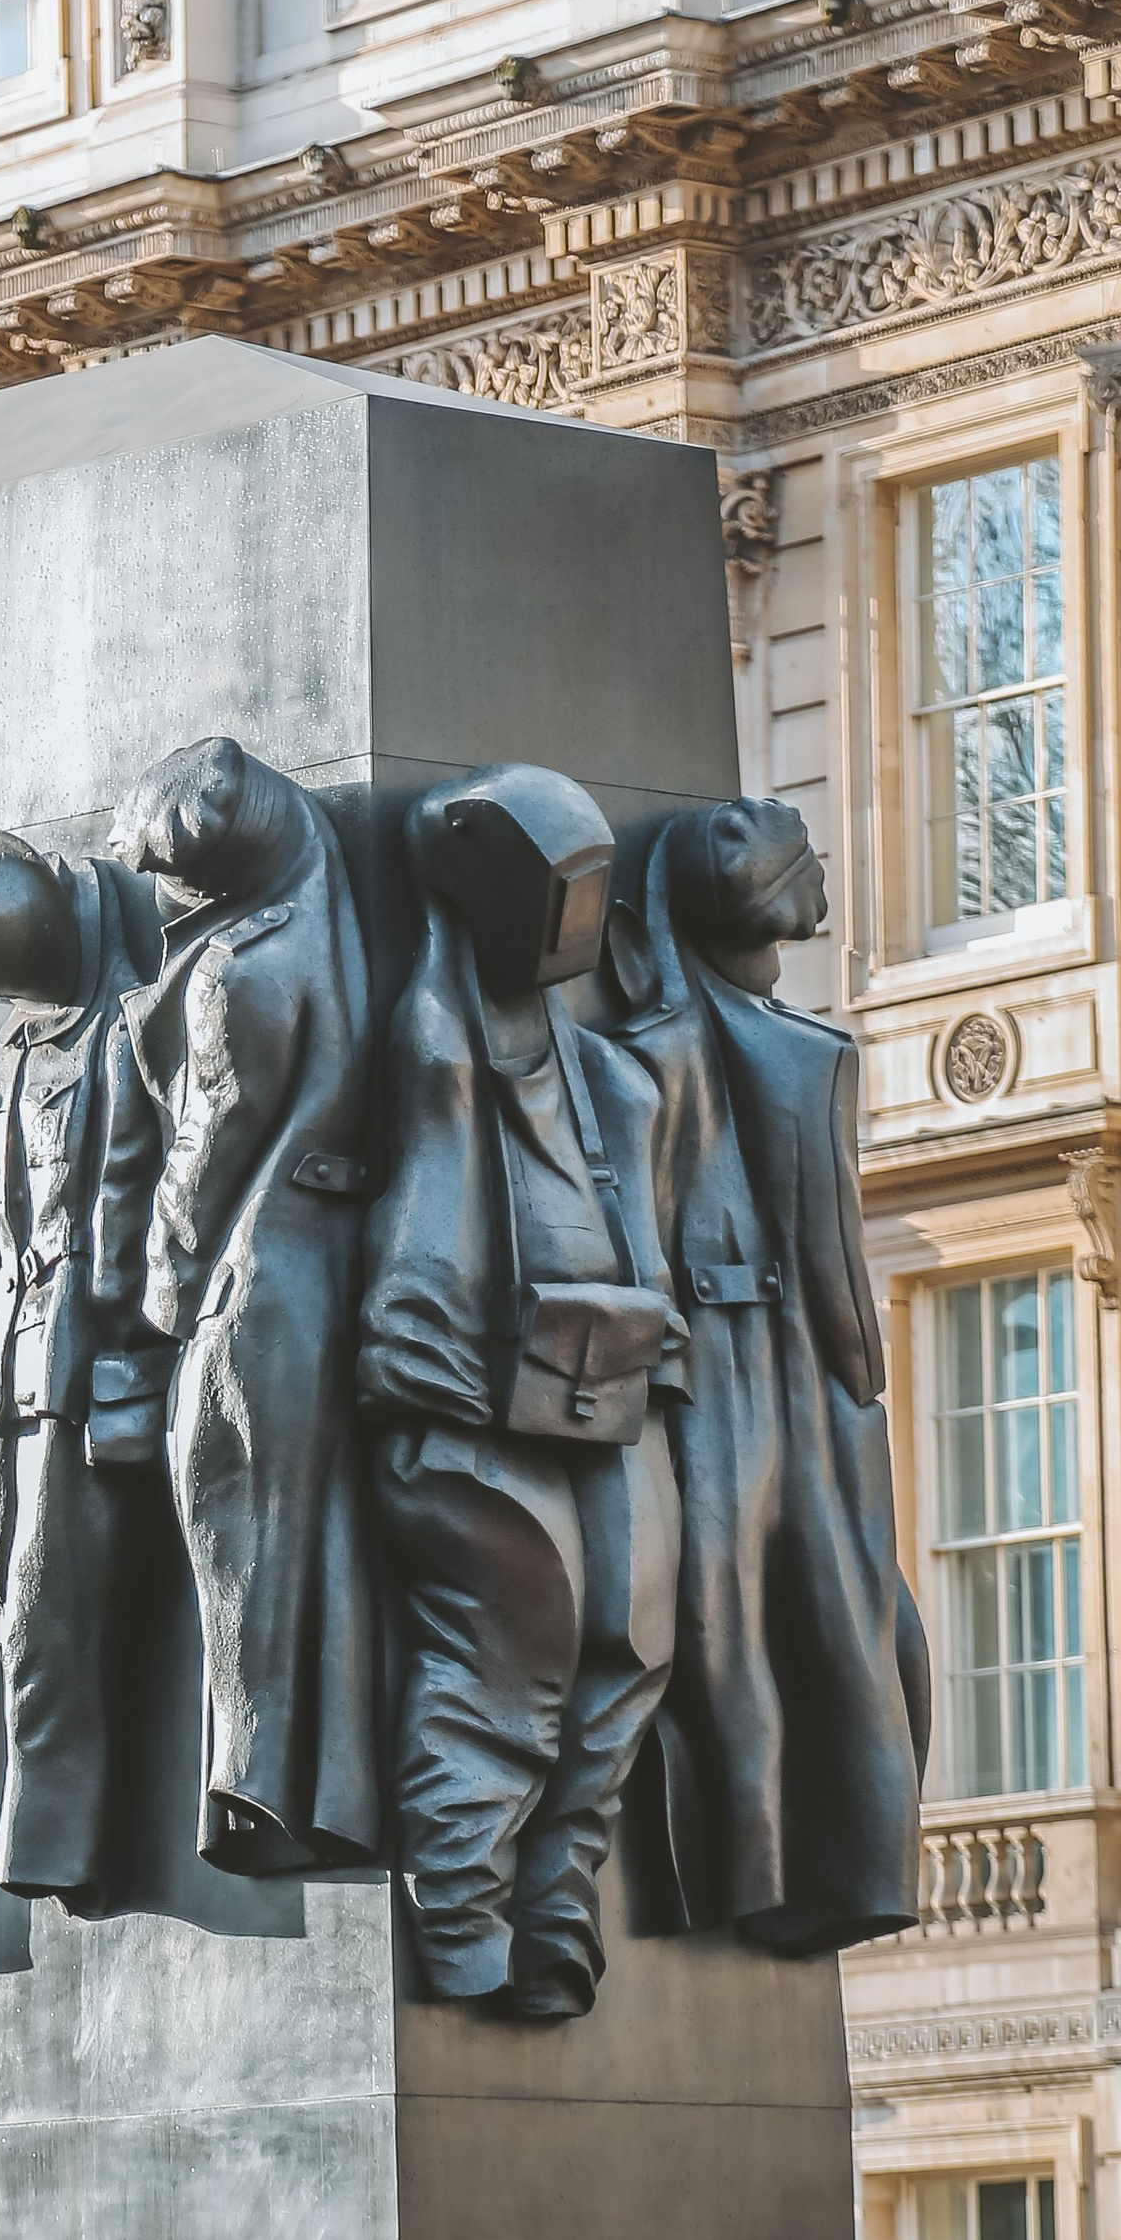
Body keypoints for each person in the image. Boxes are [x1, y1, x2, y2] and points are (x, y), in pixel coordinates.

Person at [358, 764, 686, 2020]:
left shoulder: (617, 1080)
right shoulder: (429, 1039)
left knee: (631, 1642)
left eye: (596, 887)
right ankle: (461, 1921)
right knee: (512, 1647)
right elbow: (423, 1204)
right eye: (561, 886)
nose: (582, 914)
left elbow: (644, 1245)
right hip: (461, 1407)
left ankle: (555, 1914)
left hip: (604, 1397)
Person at [605, 798, 928, 1950]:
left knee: (775, 1629)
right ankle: (804, 1873)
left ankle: (787, 1870)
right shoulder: (747, 1051)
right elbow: (825, 1275)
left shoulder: (690, 1043)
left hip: (745, 1376)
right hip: (758, 1373)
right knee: (791, 1627)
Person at [107, 734, 383, 1874]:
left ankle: (252, 1787)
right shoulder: (326, 933)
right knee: (303, 1541)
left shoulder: (235, 970)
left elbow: (205, 1150)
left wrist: (159, 1299)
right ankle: (315, 1783)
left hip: (249, 1281)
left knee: (238, 1540)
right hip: (316, 1271)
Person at [0, 827, 164, 1909]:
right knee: (10, 1603)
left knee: (45, 1607)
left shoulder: (128, 1031)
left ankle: (54, 1835)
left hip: (91, 1357)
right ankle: (48, 1820)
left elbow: (150, 1207)